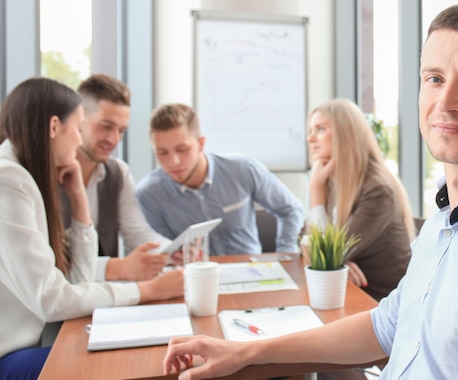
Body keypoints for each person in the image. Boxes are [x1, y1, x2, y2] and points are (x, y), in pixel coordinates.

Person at [161, 2, 458, 379]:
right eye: (435, 78)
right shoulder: (449, 217)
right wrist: (246, 352)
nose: (447, 102)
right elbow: (389, 324)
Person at [0, 77, 183, 379]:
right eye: (80, 127)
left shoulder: (28, 174)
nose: (80, 139)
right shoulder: (8, 180)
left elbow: (77, 279)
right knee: (132, 362)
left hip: (33, 342)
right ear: (54, 127)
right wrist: (144, 290)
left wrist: (79, 201)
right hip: (10, 355)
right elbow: (52, 300)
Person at [136, 103, 305, 256]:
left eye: (182, 149)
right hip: (192, 281)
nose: (173, 161)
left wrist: (286, 255)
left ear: (201, 144)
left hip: (251, 274)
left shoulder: (243, 169)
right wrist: (173, 256)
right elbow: (161, 250)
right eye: (162, 153)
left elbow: (291, 210)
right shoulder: (148, 194)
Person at [60, 73, 171, 282]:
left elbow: (137, 233)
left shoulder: (117, 172)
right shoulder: (43, 174)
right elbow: (46, 267)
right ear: (79, 119)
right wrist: (118, 267)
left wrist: (172, 250)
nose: (114, 139)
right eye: (106, 126)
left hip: (104, 298)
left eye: (121, 130)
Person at [303, 98, 415, 301]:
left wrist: (316, 192)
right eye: (311, 130)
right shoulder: (333, 181)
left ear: (345, 135)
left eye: (320, 129)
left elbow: (323, 259)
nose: (310, 139)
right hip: (351, 295)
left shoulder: (377, 190)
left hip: (381, 305)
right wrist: (339, 264)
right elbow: (305, 245)